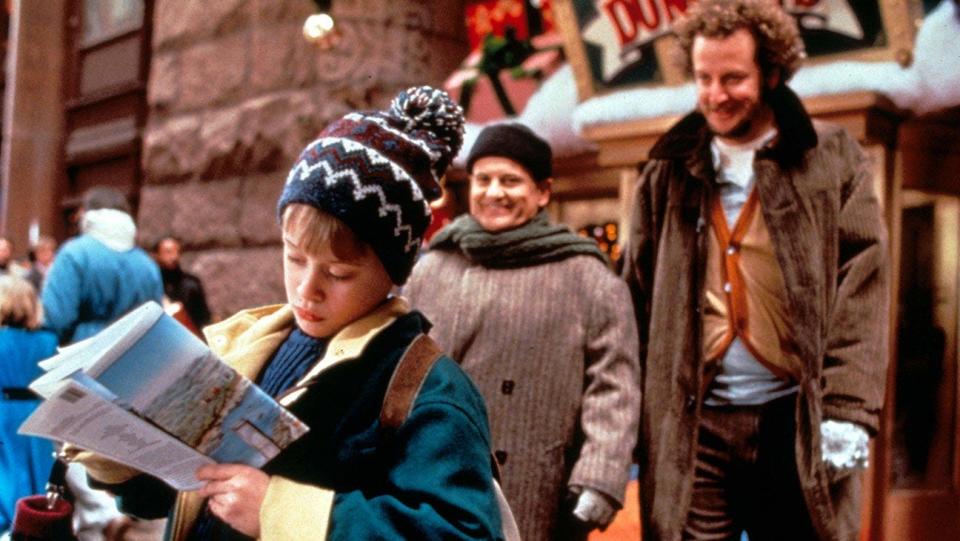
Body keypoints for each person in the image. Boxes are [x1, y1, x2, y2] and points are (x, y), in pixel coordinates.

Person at [70, 86, 504, 540]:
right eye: (295, 258)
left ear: (393, 271)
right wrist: (116, 449)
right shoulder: (253, 344)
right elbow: (179, 494)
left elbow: (465, 532)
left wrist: (281, 513)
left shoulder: (426, 387)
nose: (307, 289)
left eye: (338, 273)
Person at [621, 1, 889, 540]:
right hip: (693, 425)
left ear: (771, 73)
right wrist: (628, 419)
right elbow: (634, 298)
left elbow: (863, 285)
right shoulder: (667, 170)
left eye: (734, 78)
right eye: (704, 78)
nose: (716, 95)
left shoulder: (829, 157)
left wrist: (848, 409)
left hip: (792, 421)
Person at [405, 122, 641, 541]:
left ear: (543, 192)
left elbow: (614, 386)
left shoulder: (587, 277)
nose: (494, 192)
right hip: (435, 477)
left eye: (511, 181)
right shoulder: (432, 268)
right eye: (484, 179)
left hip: (541, 489)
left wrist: (597, 478)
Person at [40, 186, 164, 541]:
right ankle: (117, 510)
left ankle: (101, 518)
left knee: (73, 442)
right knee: (115, 442)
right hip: (132, 362)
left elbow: (56, 315)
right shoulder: (146, 264)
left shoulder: (75, 255)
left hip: (83, 357)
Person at [0, 275, 59, 535]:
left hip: (4, 409)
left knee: (8, 473)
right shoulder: (47, 340)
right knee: (38, 471)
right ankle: (34, 524)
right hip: (37, 410)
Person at [153, 236, 212, 330]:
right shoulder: (152, 285)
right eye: (168, 252)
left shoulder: (191, 284)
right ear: (157, 255)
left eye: (177, 252)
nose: (173, 257)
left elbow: (204, 318)